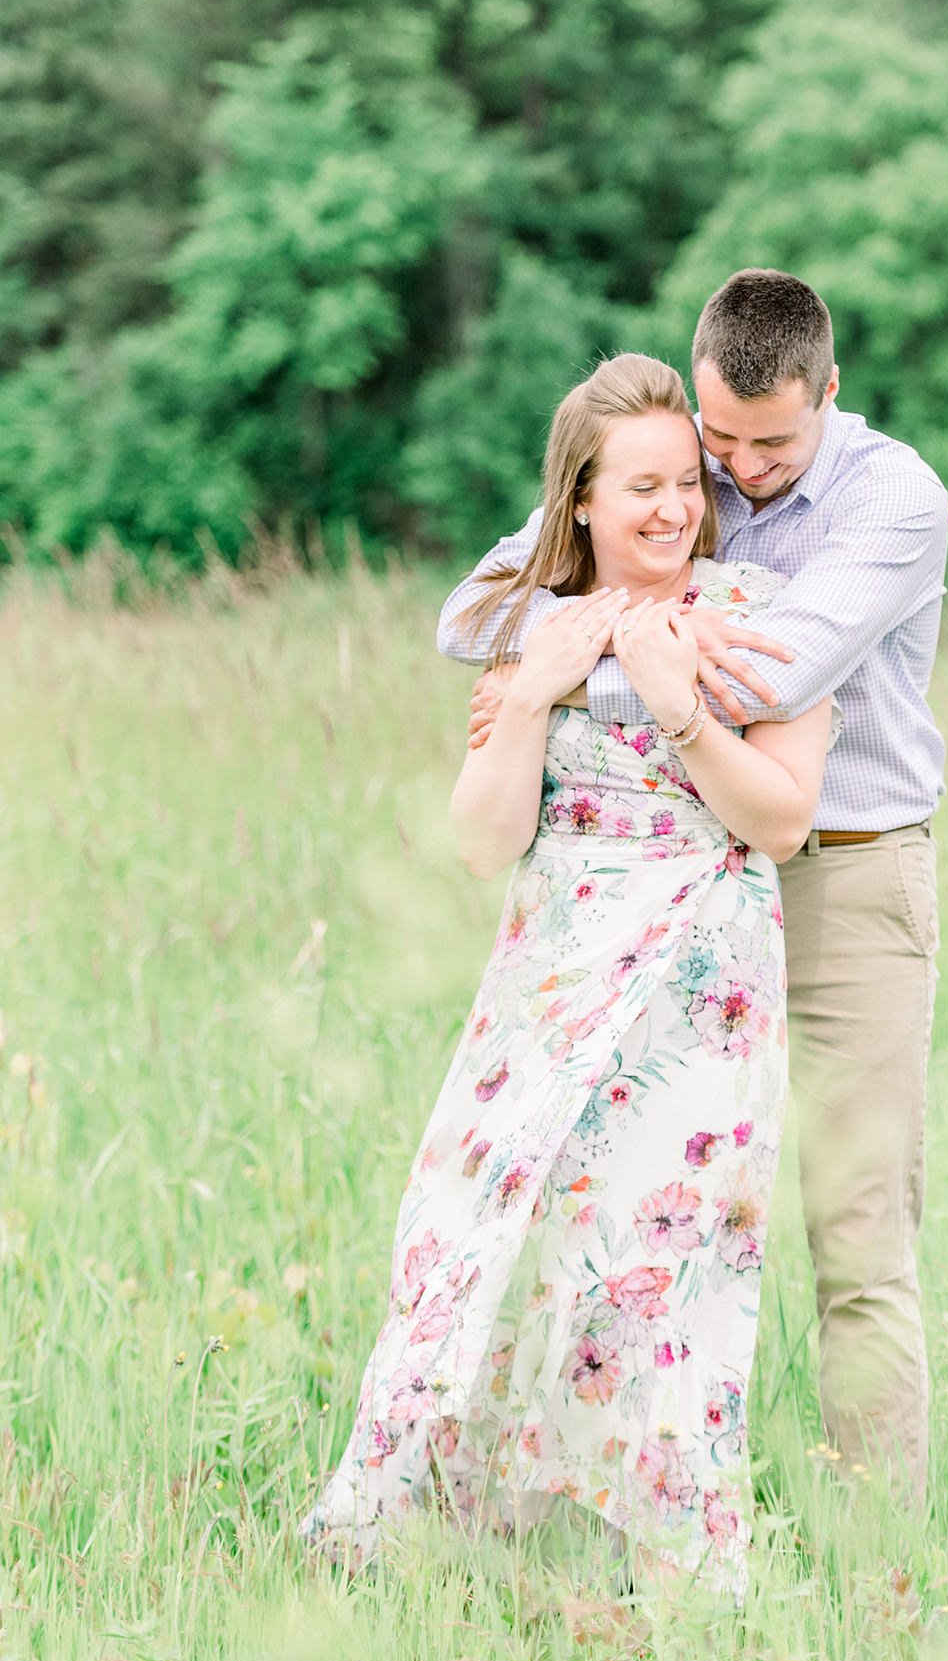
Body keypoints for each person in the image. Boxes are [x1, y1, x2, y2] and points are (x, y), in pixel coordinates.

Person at [305, 354, 830, 1590]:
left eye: (683, 485)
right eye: (638, 487)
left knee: (652, 1250)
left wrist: (682, 708)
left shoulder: (756, 613)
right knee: (474, 1216)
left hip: (702, 965)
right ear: (579, 502)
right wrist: (535, 695)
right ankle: (459, 1521)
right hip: (548, 964)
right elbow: (484, 839)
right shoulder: (531, 629)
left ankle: (644, 1556)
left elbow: (784, 822)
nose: (670, 510)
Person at [443, 271, 948, 1502]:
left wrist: (568, 666)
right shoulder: (681, 460)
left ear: (829, 393)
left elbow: (775, 675)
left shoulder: (894, 497)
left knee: (857, 1232)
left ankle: (875, 1547)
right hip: (657, 886)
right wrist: (567, 654)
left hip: (840, 877)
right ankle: (598, 1498)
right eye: (719, 438)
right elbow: (475, 615)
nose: (736, 471)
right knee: (618, 1214)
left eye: (769, 443)